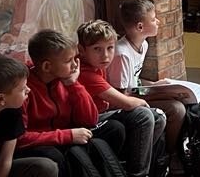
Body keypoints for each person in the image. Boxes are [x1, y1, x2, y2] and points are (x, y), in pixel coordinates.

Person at [77, 20, 172, 177]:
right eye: (97, 49)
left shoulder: (99, 65)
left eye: (110, 48)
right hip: (88, 124)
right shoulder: (86, 72)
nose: (105, 55)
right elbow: (126, 102)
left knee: (158, 117)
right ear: (82, 50)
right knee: (145, 115)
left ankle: (130, 173)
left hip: (104, 113)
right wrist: (144, 103)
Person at [17, 29, 124, 158]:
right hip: (45, 141)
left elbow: (90, 121)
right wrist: (68, 136)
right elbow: (19, 138)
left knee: (114, 128)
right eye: (68, 61)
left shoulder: (65, 78)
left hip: (68, 134)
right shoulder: (23, 89)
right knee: (54, 155)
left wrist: (73, 85)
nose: (75, 65)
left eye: (75, 58)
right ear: (47, 67)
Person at [107, 0, 187, 157]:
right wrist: (161, 94)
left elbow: (134, 81)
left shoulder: (143, 45)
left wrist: (155, 85)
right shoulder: (121, 55)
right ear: (140, 27)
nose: (158, 21)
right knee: (176, 109)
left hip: (132, 95)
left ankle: (170, 151)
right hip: (120, 104)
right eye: (153, 19)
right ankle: (168, 156)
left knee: (181, 102)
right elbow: (121, 95)